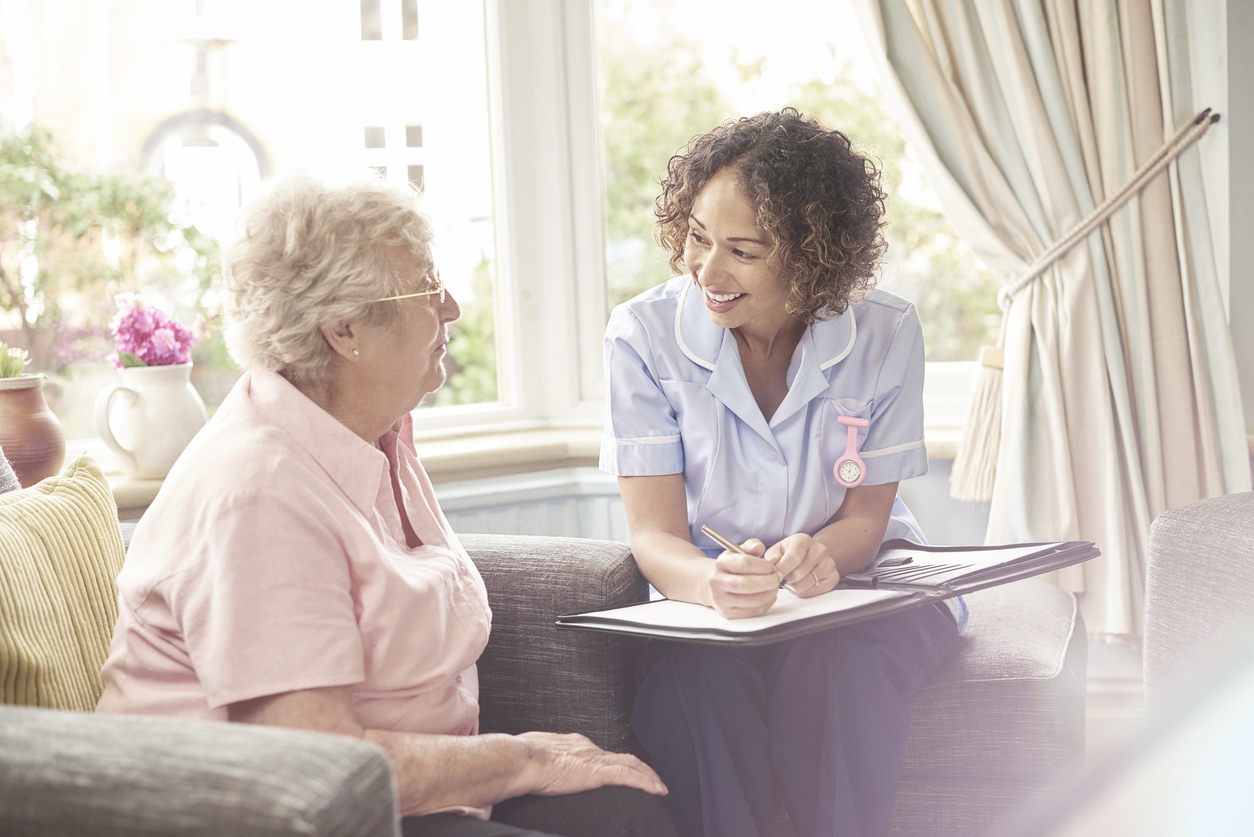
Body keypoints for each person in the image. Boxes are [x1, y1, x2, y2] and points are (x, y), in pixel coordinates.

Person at [97, 171, 676, 837]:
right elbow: (317, 763)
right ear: (346, 330)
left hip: (397, 793)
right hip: (277, 812)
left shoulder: (372, 431)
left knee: (629, 810)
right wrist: (526, 756)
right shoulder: (257, 491)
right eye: (428, 289)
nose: (453, 307)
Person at [600, 108, 965, 837]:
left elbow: (866, 517)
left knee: (838, 668)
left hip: (863, 576)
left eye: (743, 249)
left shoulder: (886, 331)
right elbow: (655, 537)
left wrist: (823, 552)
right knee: (692, 685)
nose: (707, 269)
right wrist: (714, 585)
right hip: (704, 593)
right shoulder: (642, 337)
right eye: (699, 237)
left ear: (812, 256)